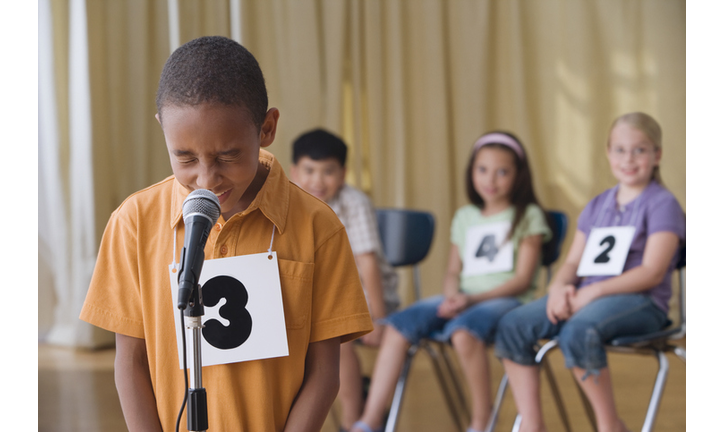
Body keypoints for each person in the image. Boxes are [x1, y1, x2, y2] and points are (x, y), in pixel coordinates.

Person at [79, 36, 373, 432]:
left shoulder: (318, 227)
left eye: (227, 156)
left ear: (266, 128)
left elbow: (324, 373)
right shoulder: (133, 223)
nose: (206, 178)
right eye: (185, 157)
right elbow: (130, 361)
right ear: (162, 131)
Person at [495, 112, 685, 432]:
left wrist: (592, 292)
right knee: (513, 325)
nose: (629, 158)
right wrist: (558, 289)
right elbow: (572, 263)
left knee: (579, 330)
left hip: (640, 301)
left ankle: (609, 425)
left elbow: (652, 272)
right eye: (620, 150)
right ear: (609, 153)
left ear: (657, 155)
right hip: (586, 296)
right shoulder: (598, 205)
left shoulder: (662, 203)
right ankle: (531, 423)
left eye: (639, 149)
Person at [350, 131, 552, 432]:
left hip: (507, 299)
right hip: (465, 296)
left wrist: (469, 301)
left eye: (502, 172)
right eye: (482, 170)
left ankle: (482, 420)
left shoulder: (528, 215)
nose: (490, 179)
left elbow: (522, 280)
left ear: (519, 176)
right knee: (397, 326)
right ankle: (370, 420)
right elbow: (453, 272)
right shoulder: (465, 217)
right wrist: (452, 296)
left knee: (463, 333)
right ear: (471, 172)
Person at [290, 128, 400, 431]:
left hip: (367, 295)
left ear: (343, 173)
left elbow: (368, 263)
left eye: (328, 172)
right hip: (322, 298)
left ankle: (354, 420)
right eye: (309, 171)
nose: (318, 181)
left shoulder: (354, 203)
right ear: (294, 171)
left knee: (335, 338)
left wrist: (377, 316)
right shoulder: (291, 202)